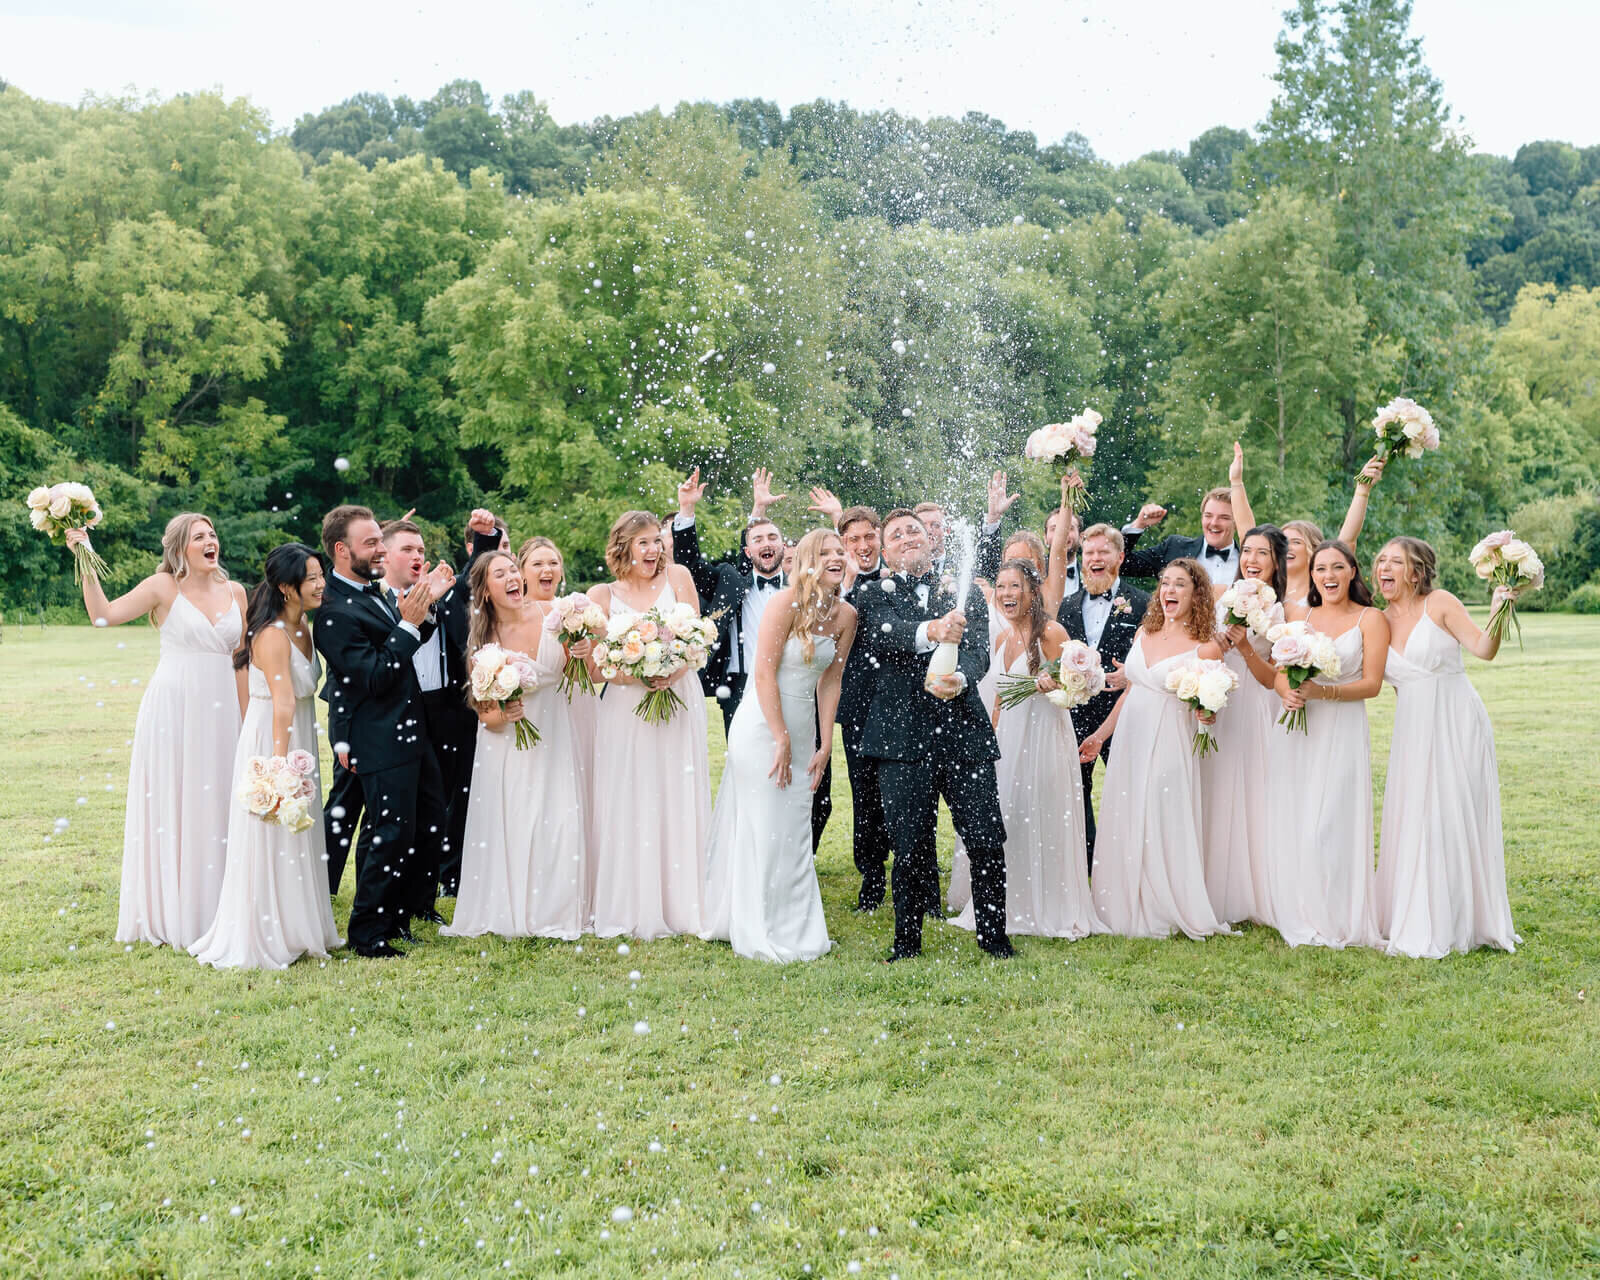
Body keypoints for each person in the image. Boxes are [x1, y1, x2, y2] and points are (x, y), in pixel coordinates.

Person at [65, 514, 246, 949]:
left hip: (223, 710)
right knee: (177, 797)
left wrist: (246, 724)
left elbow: (242, 660)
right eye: (199, 536)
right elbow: (104, 617)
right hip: (174, 708)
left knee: (219, 798)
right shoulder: (163, 587)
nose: (210, 541)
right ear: (179, 548)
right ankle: (173, 909)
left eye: (213, 535)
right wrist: (85, 558)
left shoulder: (236, 591)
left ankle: (222, 904)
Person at [856, 509, 1011, 961]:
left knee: (985, 836)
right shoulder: (871, 594)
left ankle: (994, 937)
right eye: (897, 534)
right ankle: (907, 942)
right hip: (901, 738)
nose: (907, 537)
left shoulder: (965, 594)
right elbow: (886, 636)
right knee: (909, 845)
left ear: (931, 541)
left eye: (915, 531)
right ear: (885, 552)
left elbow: (980, 648)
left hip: (963, 731)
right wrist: (933, 631)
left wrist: (960, 678)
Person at [702, 529, 857, 961]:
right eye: (826, 552)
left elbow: (831, 681)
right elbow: (765, 673)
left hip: (805, 725)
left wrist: (825, 742)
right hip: (761, 724)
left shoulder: (846, 616)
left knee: (792, 827)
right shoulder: (784, 604)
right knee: (763, 822)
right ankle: (756, 925)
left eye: (840, 552)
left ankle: (796, 924)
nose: (837, 557)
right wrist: (780, 735)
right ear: (807, 559)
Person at [191, 544, 343, 969]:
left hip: (298, 734)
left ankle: (300, 924)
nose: (320, 584)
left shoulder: (305, 626)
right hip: (273, 737)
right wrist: (279, 770)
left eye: (320, 575)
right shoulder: (273, 634)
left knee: (299, 828)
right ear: (285, 588)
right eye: (311, 578)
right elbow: (282, 704)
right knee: (275, 826)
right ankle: (268, 927)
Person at [314, 504, 456, 958]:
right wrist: (409, 623)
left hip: (412, 728)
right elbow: (371, 676)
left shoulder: (371, 591)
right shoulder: (333, 610)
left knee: (427, 824)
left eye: (380, 539)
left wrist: (423, 610)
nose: (380, 548)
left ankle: (401, 915)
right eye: (371, 542)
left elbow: (407, 641)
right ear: (342, 550)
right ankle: (367, 932)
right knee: (388, 833)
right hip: (378, 735)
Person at [1373, 537, 1519, 957]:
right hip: (1413, 730)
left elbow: (1484, 650)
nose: (1384, 567)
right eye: (1381, 560)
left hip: (1456, 720)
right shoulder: (1379, 620)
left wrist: (1498, 609)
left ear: (1415, 571)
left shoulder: (1439, 602)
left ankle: (1459, 919)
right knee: (1416, 816)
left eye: (1395, 562)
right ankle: (1417, 911)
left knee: (1450, 815)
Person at [673, 468, 832, 850]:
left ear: (784, 547)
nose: (767, 543)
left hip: (797, 684)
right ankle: (753, 846)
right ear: (748, 552)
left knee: (812, 778)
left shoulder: (804, 588)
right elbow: (690, 567)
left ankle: (798, 853)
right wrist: (686, 512)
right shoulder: (731, 576)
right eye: (758, 539)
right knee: (753, 770)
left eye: (773, 538)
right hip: (742, 686)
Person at [1078, 559, 1230, 940]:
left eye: (1180, 584)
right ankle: (1121, 900)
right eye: (1165, 583)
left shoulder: (1207, 648)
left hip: (1171, 739)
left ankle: (1164, 902)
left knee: (1163, 812)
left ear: (1197, 594)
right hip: (1131, 735)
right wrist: (1100, 735)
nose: (1169, 591)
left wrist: (1205, 716)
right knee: (1128, 809)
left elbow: (1208, 708)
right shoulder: (1144, 632)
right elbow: (1131, 690)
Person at [951, 559, 1101, 939]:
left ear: (1032, 591)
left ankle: (1049, 905)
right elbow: (1000, 697)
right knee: (1010, 816)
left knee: (1044, 811)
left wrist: (1060, 686)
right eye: (1001, 587)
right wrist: (995, 733)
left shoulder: (1051, 632)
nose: (1006, 594)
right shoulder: (1001, 639)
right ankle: (1010, 901)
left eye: (1014, 586)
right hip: (1009, 739)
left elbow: (1073, 691)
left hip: (1044, 737)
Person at [441, 551, 587, 940]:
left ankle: (553, 907)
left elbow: (580, 672)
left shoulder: (552, 616)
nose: (512, 578)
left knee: (556, 820)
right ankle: (509, 906)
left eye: (512, 571)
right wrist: (504, 715)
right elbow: (484, 714)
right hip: (506, 743)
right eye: (499, 574)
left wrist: (583, 654)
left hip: (554, 731)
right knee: (515, 818)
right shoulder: (483, 642)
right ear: (486, 592)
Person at [587, 511, 711, 939]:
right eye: (643, 542)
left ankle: (683, 902)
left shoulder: (678, 577)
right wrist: (636, 674)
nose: (653, 550)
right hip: (624, 708)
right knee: (631, 793)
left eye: (656, 540)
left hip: (677, 698)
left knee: (677, 788)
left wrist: (669, 671)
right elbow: (595, 670)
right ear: (623, 546)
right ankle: (632, 899)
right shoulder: (602, 596)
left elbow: (697, 643)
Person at [1270, 540, 1388, 950]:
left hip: (1341, 725)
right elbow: (1281, 672)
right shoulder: (1302, 616)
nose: (1329, 576)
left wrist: (1324, 694)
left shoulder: (1370, 619)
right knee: (1299, 818)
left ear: (1352, 572)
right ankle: (1302, 908)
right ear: (1313, 575)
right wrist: (1288, 692)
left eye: (1338, 568)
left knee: (1332, 820)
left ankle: (1338, 914)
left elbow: (1372, 684)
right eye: (1321, 569)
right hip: (1298, 726)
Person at [1200, 525, 1288, 927]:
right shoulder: (1222, 596)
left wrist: (1245, 643)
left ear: (1276, 562)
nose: (1252, 559)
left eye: (1263, 553)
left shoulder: (1278, 610)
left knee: (1250, 792)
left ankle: (1249, 889)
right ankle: (1208, 885)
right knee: (1214, 788)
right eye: (1247, 551)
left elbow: (1271, 678)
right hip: (1217, 699)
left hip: (1252, 703)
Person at [1056, 523, 1150, 871]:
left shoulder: (1143, 603)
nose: (1094, 559)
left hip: (1124, 711)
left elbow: (1155, 654)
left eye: (1102, 552)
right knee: (1075, 790)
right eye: (1089, 553)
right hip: (1075, 712)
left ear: (1120, 557)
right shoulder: (1066, 606)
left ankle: (1128, 860)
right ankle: (1084, 860)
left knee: (1128, 786)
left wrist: (1132, 671)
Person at [1227, 441, 1384, 607]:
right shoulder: (1267, 591)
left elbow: (1348, 538)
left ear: (1314, 551)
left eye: (1296, 542)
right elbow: (1247, 533)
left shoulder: (1324, 589)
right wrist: (1236, 482)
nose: (1287, 547)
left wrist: (1362, 490)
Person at [833, 505, 894, 911]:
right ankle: (871, 881)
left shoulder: (900, 579)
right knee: (865, 795)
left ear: (880, 537)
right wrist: (847, 586)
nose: (862, 546)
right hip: (856, 706)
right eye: (852, 540)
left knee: (907, 793)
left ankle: (919, 881)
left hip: (899, 703)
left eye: (868, 537)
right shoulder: (833, 587)